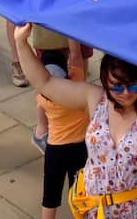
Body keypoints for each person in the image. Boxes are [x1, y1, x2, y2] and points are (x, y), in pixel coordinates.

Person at [14, 23, 137, 218]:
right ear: (105, 80)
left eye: (133, 87)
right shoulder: (96, 99)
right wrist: (21, 42)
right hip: (94, 211)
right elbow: (45, 83)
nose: (125, 93)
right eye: (117, 87)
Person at [37, 40, 89, 219]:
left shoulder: (42, 95)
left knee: (50, 196)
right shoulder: (77, 83)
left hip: (55, 150)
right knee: (81, 195)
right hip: (80, 148)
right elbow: (76, 56)